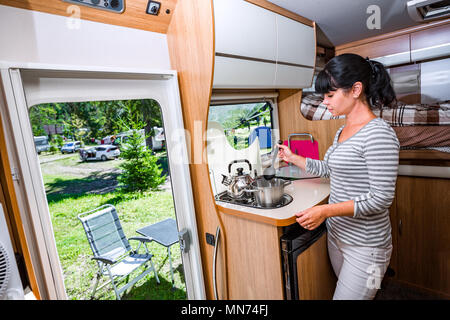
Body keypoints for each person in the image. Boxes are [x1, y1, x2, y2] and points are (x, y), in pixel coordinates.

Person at [278, 53, 400, 300]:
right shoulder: (343, 130)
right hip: (338, 236)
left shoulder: (379, 135)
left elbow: (381, 199)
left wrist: (325, 212)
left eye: (330, 95)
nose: (324, 102)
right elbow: (330, 169)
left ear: (356, 90)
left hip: (367, 247)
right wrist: (294, 158)